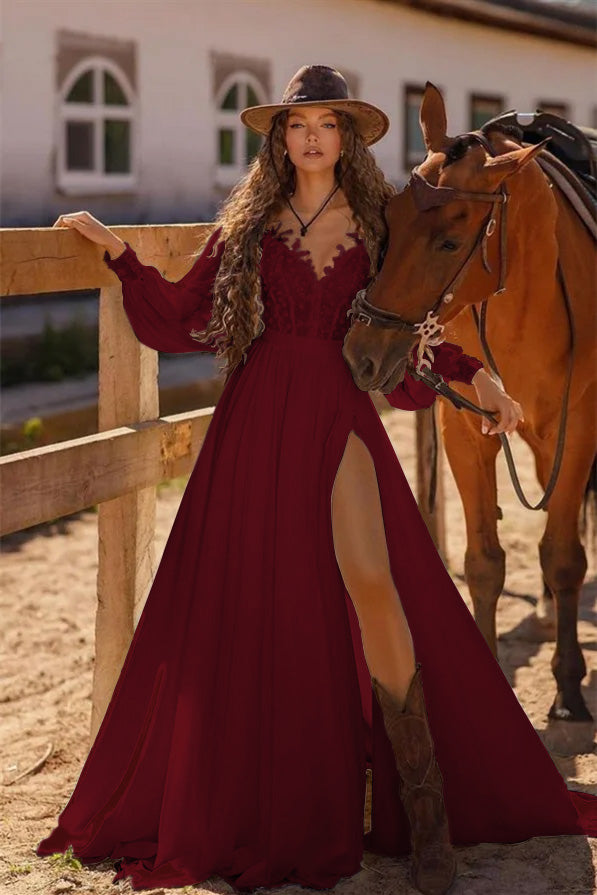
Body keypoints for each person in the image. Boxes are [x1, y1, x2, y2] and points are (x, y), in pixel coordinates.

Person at [36, 64, 596, 895]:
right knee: (255, 598)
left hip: (337, 413)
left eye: (326, 124)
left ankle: (424, 813)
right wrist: (122, 255)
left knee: (374, 582)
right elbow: (186, 317)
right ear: (278, 140)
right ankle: (261, 795)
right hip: (256, 418)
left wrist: (475, 376)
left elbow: (409, 321)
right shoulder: (247, 226)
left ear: (346, 139)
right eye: (297, 125)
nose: (310, 137)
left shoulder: (377, 224)